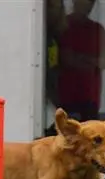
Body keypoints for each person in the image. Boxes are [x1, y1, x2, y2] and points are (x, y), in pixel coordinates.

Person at [57, 0, 105, 122]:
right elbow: (66, 59)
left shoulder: (96, 29)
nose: (87, 5)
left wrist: (81, 58)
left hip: (90, 99)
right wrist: (94, 61)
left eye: (90, 2)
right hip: (65, 97)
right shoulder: (63, 25)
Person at [43, 0, 67, 137]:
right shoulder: (41, 36)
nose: (54, 12)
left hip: (55, 94)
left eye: (58, 8)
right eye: (51, 7)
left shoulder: (56, 37)